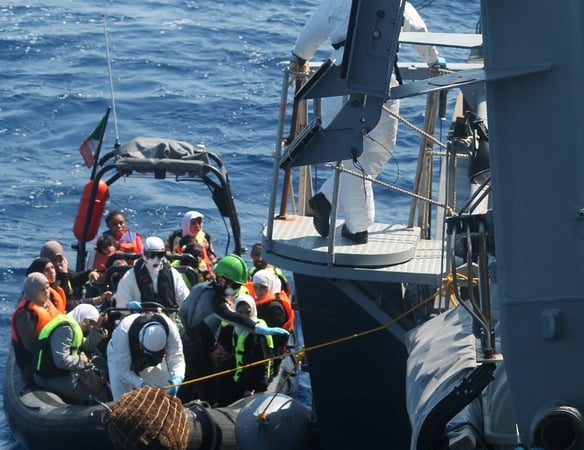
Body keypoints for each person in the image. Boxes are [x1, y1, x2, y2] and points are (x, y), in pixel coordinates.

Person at [292, 0, 444, 244]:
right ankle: (356, 227)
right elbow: (418, 30)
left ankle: (328, 201)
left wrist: (299, 58)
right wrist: (434, 60)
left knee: (361, 153)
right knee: (367, 152)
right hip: (378, 76)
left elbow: (306, 40)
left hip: (340, 78)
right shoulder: (395, 2)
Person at [177, 254, 289, 405]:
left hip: (188, 342)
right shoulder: (216, 301)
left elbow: (182, 311)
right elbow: (231, 317)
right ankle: (208, 419)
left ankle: (177, 406)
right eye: (236, 286)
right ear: (222, 280)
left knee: (189, 381)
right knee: (209, 391)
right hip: (203, 348)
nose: (237, 290)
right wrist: (261, 329)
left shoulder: (200, 288)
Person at [33, 304, 111, 404]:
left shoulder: (72, 324)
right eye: (89, 322)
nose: (90, 326)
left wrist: (97, 331)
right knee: (102, 395)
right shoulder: (65, 329)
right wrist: (81, 360)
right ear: (82, 316)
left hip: (61, 373)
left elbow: (84, 345)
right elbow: (61, 360)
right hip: (50, 376)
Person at [106, 311, 186, 400]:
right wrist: (141, 384)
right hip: (118, 355)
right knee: (122, 399)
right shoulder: (123, 334)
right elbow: (124, 370)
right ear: (141, 345)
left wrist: (177, 378)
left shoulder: (170, 327)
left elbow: (177, 357)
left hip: (149, 360)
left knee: (164, 391)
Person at [214, 294, 275, 405]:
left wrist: (252, 387)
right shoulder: (236, 329)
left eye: (248, 312)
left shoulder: (258, 334)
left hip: (253, 384)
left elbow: (261, 363)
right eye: (240, 313)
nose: (244, 316)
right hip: (239, 377)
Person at [113, 236, 190, 309]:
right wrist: (128, 305)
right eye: (152, 255)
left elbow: (185, 298)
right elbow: (120, 303)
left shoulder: (173, 274)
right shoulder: (130, 276)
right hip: (138, 316)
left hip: (167, 316)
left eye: (160, 255)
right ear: (144, 253)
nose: (156, 259)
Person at [11, 273, 63, 376]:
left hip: (51, 347)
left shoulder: (46, 303)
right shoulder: (26, 314)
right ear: (33, 291)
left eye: (47, 288)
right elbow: (30, 345)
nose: (47, 292)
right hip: (33, 360)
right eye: (42, 290)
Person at [38, 240, 111, 309]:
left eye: (60, 259)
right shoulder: (43, 282)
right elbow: (66, 303)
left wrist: (89, 273)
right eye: (53, 261)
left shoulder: (61, 271)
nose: (57, 264)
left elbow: (75, 278)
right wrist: (97, 300)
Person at [251, 270, 295, 374]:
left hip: (270, 354)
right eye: (255, 287)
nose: (258, 291)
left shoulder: (274, 308)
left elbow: (277, 339)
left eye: (262, 288)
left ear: (270, 287)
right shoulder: (259, 302)